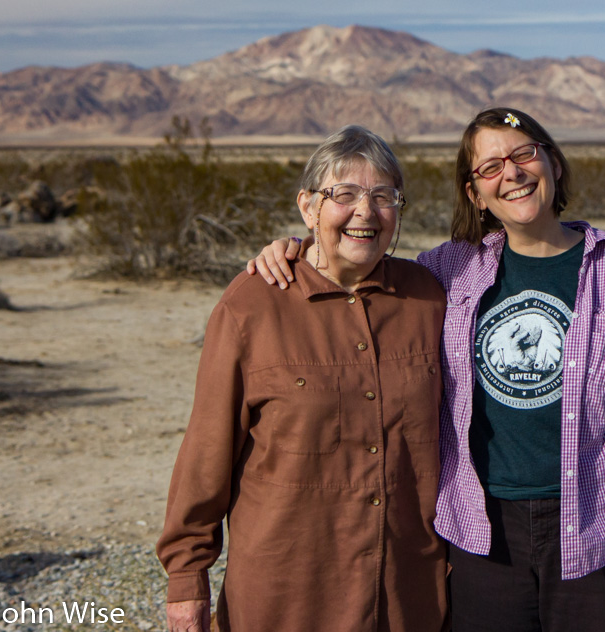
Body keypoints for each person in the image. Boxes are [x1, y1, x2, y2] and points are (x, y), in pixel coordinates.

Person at [249, 107, 605, 632]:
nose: (510, 174)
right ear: (474, 193)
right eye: (489, 168)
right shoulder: (447, 269)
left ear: (552, 163)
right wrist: (300, 251)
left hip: (602, 523)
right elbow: (361, 261)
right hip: (482, 535)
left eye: (523, 155)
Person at [157, 125, 449, 632]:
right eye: (345, 195)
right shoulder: (252, 305)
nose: (366, 212)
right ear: (308, 206)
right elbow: (208, 449)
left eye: (384, 196)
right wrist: (187, 579)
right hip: (287, 596)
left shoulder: (431, 298)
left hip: (409, 594)